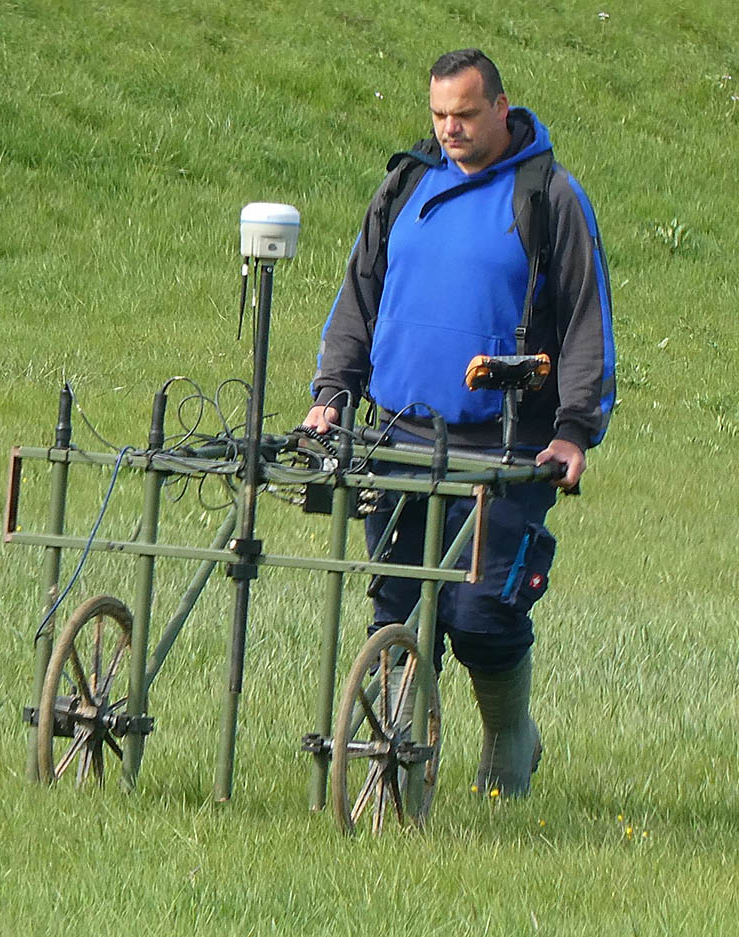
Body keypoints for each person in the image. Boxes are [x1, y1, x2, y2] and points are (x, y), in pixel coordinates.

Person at [303, 49, 615, 797]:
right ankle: (395, 781)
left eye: (466, 115)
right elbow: (359, 297)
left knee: (479, 612)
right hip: (399, 436)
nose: (451, 129)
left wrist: (573, 428)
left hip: (505, 448)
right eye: (440, 115)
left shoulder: (549, 196)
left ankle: (511, 735)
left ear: (502, 108)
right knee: (397, 607)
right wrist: (331, 391)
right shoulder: (405, 186)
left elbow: (584, 318)